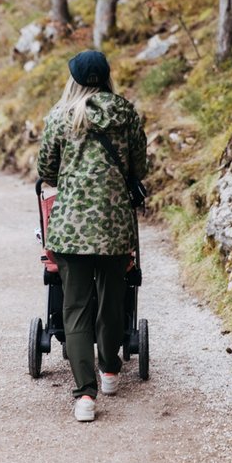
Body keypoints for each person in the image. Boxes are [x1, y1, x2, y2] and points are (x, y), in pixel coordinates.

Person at [37, 50, 147, 423]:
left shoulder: (60, 115)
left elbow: (46, 169)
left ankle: (85, 395)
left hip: (69, 227)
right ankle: (111, 371)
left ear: (74, 80)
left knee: (76, 307)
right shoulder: (126, 112)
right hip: (114, 224)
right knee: (113, 299)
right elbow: (140, 166)